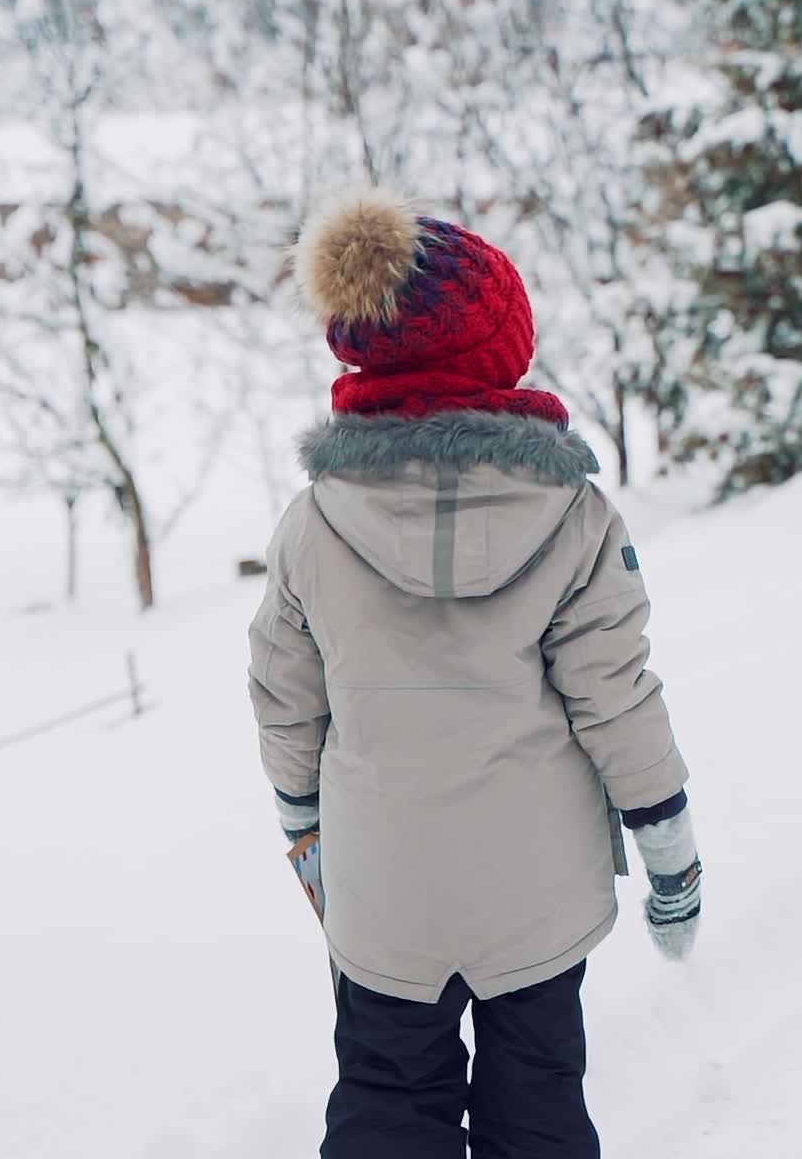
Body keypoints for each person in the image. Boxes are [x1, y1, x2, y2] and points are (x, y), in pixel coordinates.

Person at [248, 189, 702, 1159]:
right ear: (495, 351)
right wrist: (668, 851)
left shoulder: (313, 522)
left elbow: (285, 696)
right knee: (536, 1102)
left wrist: (303, 828)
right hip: (533, 890)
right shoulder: (573, 516)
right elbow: (615, 697)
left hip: (383, 888)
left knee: (383, 1100)